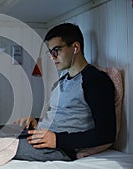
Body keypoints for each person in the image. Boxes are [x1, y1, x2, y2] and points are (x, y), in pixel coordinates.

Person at [13, 23, 116, 161]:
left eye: (56, 50)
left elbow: (106, 134)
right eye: (50, 52)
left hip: (59, 148)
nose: (52, 57)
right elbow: (64, 116)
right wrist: (36, 122)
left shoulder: (94, 80)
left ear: (75, 48)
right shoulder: (63, 81)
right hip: (41, 136)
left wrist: (57, 139)